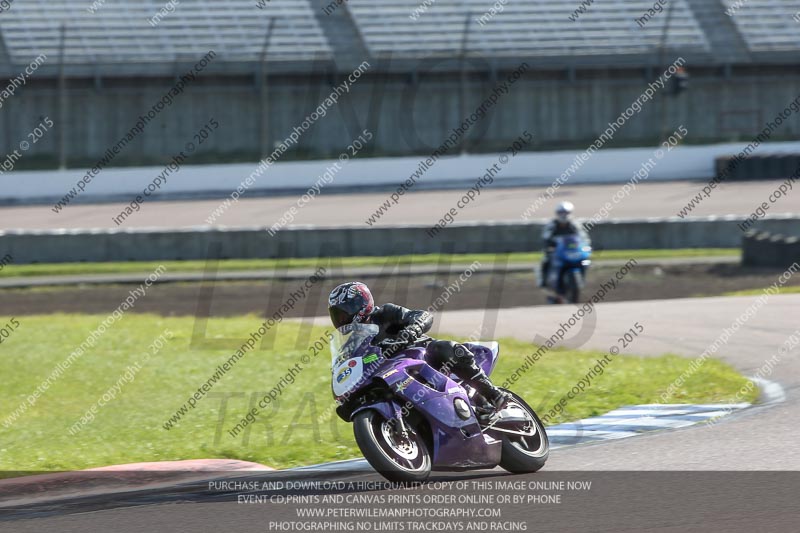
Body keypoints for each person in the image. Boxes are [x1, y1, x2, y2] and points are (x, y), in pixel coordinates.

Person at [327, 281, 510, 419]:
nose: (341, 319)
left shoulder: (385, 313)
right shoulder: (351, 342)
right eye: (336, 314)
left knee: (445, 348)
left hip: (420, 357)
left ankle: (493, 395)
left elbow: (422, 316)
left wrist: (413, 328)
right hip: (391, 375)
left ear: (361, 304)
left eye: (344, 312)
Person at [538, 201, 590, 287]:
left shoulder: (575, 225)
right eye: (561, 213)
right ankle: (544, 281)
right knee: (546, 262)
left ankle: (582, 279)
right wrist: (549, 247)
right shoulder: (552, 225)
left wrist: (585, 246)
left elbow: (583, 237)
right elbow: (546, 238)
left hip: (571, 250)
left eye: (566, 213)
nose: (563, 215)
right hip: (557, 251)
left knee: (585, 262)